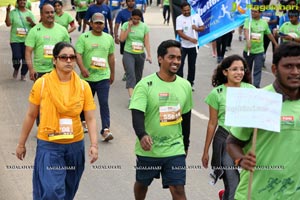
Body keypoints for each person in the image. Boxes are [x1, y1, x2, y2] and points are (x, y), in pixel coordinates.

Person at [16, 42, 98, 199]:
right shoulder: (42, 84)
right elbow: (31, 115)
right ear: (54, 60)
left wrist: (94, 145)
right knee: (53, 191)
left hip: (75, 146)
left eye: (72, 57)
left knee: (68, 191)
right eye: (64, 57)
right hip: (50, 146)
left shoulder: (83, 86)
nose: (68, 61)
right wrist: (21, 144)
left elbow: (90, 118)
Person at [226, 42, 300, 199]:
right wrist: (241, 159)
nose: (295, 72)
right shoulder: (257, 100)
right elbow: (232, 142)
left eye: (299, 66)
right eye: (288, 66)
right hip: (255, 194)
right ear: (274, 69)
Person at [129, 39, 193, 200]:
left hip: (174, 148)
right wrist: (142, 134)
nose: (176, 61)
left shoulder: (185, 85)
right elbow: (137, 113)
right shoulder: (145, 85)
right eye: (171, 57)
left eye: (178, 58)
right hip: (150, 148)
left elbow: (186, 117)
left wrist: (185, 145)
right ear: (160, 59)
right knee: (142, 184)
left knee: (178, 189)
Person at [201, 55, 255, 200]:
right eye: (234, 69)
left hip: (246, 142)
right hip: (225, 140)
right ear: (225, 72)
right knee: (232, 183)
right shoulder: (216, 93)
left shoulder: (251, 89)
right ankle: (227, 195)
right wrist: (206, 151)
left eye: (242, 69)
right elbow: (212, 123)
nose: (239, 72)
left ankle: (224, 196)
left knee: (246, 184)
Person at [75, 13, 115, 141]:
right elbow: (78, 55)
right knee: (85, 102)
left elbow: (111, 57)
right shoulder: (84, 38)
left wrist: (112, 73)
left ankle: (105, 129)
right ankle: (82, 122)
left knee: (104, 103)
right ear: (91, 24)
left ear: (104, 24)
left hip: (103, 76)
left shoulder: (108, 38)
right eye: (96, 23)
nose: (98, 25)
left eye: (101, 23)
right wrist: (82, 69)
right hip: (87, 77)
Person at [25, 3, 70, 81]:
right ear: (41, 15)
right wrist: (31, 69)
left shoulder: (62, 30)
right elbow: (28, 52)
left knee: (57, 93)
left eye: (52, 12)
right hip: (40, 71)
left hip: (58, 70)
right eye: (47, 12)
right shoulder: (34, 31)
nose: (50, 14)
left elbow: (68, 51)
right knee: (42, 93)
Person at [120, 9, 151, 101]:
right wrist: (129, 28)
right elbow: (122, 39)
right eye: (134, 19)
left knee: (138, 76)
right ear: (131, 17)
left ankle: (136, 95)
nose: (136, 21)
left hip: (140, 54)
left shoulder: (144, 27)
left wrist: (149, 55)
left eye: (138, 19)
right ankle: (131, 97)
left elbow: (146, 42)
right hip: (128, 52)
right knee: (130, 74)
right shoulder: (126, 25)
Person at [243, 6, 278, 88]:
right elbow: (246, 31)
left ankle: (256, 86)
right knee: (247, 70)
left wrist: (275, 44)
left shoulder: (264, 23)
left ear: (260, 13)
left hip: (259, 51)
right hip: (248, 50)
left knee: (258, 69)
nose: (253, 13)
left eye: (255, 12)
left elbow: (269, 34)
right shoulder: (248, 21)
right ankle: (247, 86)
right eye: (252, 11)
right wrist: (248, 41)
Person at [176, 1, 205, 91]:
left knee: (192, 65)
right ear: (181, 10)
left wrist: (196, 28)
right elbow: (180, 32)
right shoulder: (179, 19)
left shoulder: (196, 17)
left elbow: (203, 27)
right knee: (180, 64)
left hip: (194, 46)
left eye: (188, 10)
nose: (187, 12)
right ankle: (180, 83)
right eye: (185, 10)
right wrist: (190, 39)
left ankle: (190, 83)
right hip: (183, 46)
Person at [5, 0, 36, 80]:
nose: (23, 2)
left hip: (27, 40)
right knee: (16, 57)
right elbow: (8, 24)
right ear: (18, 2)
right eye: (21, 0)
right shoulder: (13, 12)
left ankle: (23, 74)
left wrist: (31, 21)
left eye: (24, 0)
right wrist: (7, 12)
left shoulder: (29, 13)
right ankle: (16, 68)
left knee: (26, 58)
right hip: (15, 39)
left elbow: (35, 26)